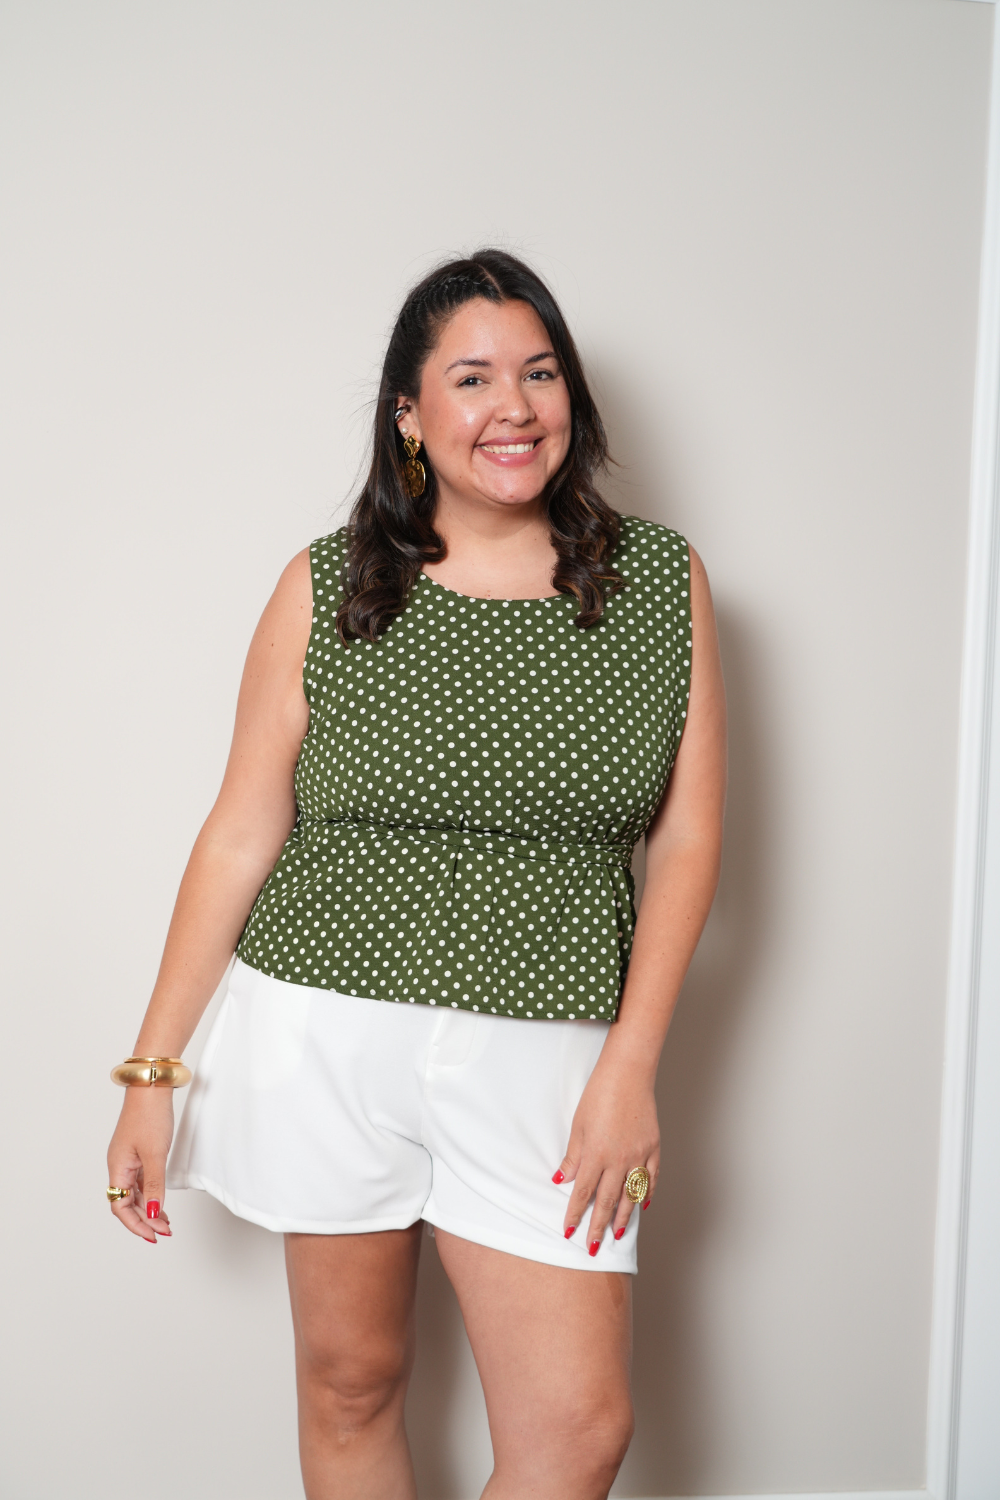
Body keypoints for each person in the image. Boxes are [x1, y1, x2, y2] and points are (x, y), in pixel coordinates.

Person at [106, 248, 727, 1500]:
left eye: (540, 373)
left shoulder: (659, 582)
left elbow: (687, 842)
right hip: (323, 1033)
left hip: (548, 1050)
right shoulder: (329, 582)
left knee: (577, 1431)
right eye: (473, 378)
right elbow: (241, 831)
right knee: (351, 1385)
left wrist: (629, 1067)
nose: (515, 407)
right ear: (409, 412)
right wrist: (152, 1073)